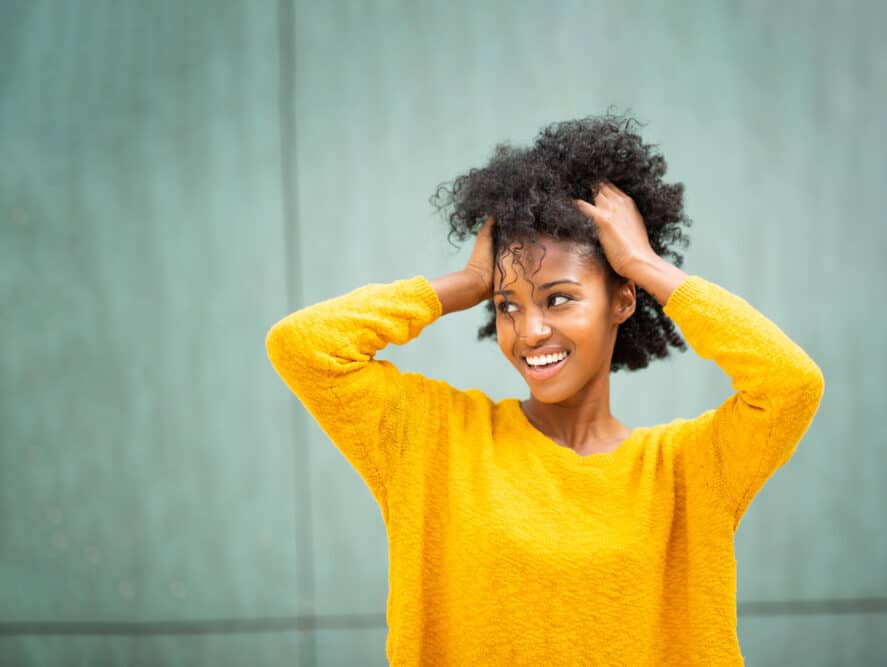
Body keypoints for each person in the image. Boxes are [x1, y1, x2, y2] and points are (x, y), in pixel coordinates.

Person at [265, 115, 824, 666]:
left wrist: (645, 264)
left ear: (623, 301)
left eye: (558, 298)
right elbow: (304, 345)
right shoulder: (433, 439)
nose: (529, 332)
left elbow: (789, 384)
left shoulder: (687, 469)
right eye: (509, 305)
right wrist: (465, 286)